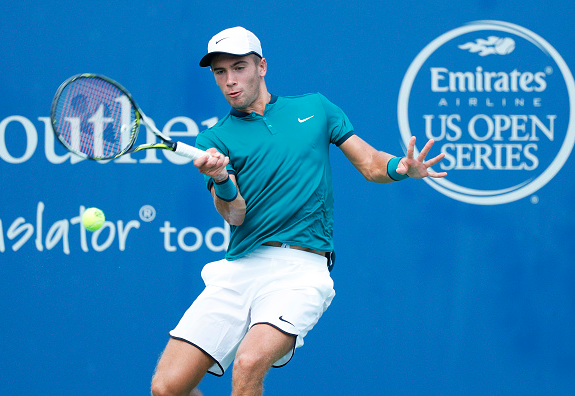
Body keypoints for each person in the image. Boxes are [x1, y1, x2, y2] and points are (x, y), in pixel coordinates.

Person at [151, 26, 447, 396]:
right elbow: (235, 215)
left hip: (301, 271)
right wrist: (222, 177)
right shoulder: (214, 140)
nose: (229, 81)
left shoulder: (315, 108)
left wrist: (400, 168)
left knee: (248, 363)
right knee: (167, 388)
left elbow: (370, 163)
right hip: (240, 269)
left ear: (261, 67)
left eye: (239, 67)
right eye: (220, 72)